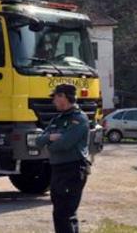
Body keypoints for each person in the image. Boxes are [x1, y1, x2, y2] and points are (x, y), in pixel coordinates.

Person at [35, 84, 91, 233]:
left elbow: (65, 144)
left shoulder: (79, 119)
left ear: (63, 97)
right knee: (58, 212)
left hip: (72, 169)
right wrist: (51, 137)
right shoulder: (57, 119)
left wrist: (50, 146)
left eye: (55, 97)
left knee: (67, 213)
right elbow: (38, 141)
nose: (53, 101)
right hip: (57, 169)